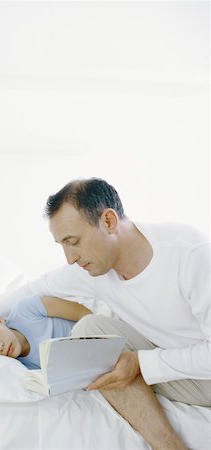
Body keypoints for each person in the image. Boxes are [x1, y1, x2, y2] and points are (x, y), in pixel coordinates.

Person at [26, 177, 211, 450]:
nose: (70, 258)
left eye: (73, 241)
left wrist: (141, 362)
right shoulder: (92, 269)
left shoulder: (190, 255)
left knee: (99, 341)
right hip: (188, 373)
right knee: (91, 332)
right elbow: (36, 287)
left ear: (109, 222)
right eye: (62, 245)